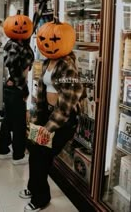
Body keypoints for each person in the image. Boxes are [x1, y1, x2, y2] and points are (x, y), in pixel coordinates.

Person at [20, 24, 84, 211]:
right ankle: (33, 188)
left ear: (63, 41)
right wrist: (35, 120)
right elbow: (41, 93)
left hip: (61, 121)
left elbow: (65, 107)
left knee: (41, 155)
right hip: (46, 115)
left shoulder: (67, 67)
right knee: (35, 150)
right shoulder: (48, 61)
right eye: (43, 39)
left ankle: (41, 198)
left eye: (53, 40)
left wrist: (46, 128)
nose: (47, 43)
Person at [0, 13, 35, 165]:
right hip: (16, 88)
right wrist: (24, 88)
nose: (22, 28)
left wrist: (40, 8)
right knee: (19, 123)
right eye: (18, 26)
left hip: (13, 87)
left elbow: (30, 30)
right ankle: (18, 155)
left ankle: (3, 150)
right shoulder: (14, 45)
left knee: (8, 120)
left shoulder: (19, 43)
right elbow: (13, 68)